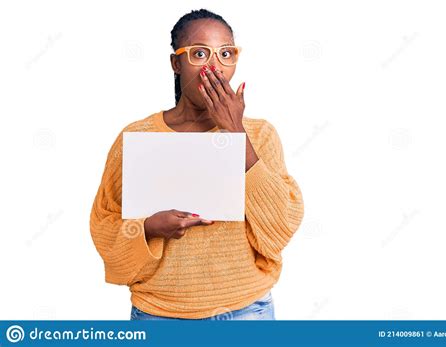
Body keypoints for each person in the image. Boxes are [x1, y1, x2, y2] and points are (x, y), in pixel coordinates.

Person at [89, 8, 304, 320]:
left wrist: (235, 133)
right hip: (159, 314)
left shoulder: (260, 134)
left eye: (226, 53)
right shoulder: (136, 137)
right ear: (176, 63)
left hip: (246, 312)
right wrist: (148, 228)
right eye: (200, 53)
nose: (214, 67)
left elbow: (282, 226)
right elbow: (103, 225)